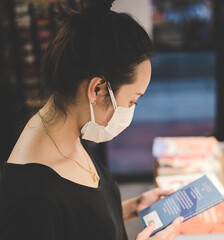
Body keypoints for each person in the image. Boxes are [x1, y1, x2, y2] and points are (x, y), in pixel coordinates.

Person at [0, 0, 183, 239]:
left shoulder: (70, 128)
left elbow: (78, 219)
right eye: (132, 100)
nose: (131, 110)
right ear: (97, 89)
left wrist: (133, 206)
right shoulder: (32, 200)